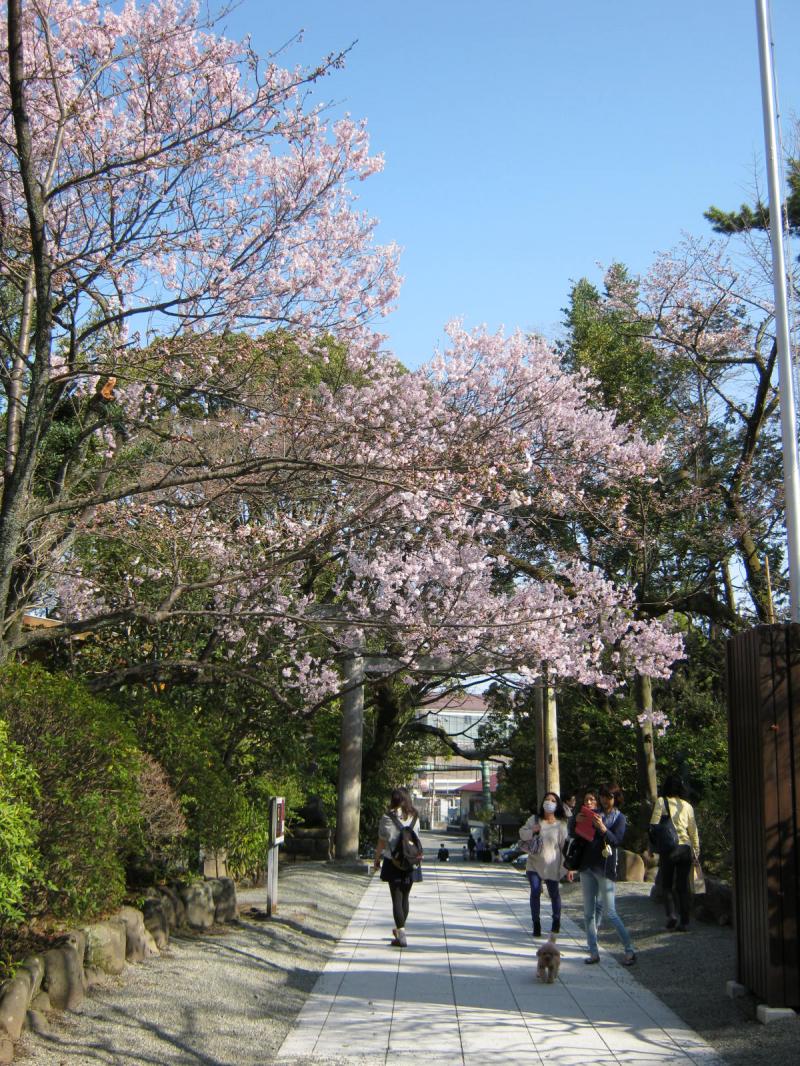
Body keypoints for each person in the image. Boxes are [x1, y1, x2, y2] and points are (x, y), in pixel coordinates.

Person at [572, 785, 636, 967]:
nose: (604, 801)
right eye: (602, 797)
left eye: (608, 797)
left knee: (611, 912)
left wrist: (603, 829)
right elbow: (578, 835)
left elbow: (617, 840)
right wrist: (576, 821)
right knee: (588, 913)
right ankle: (593, 951)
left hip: (605, 868)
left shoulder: (620, 818)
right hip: (587, 866)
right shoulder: (593, 813)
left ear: (616, 798)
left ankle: (629, 950)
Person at [650, 775, 700, 932]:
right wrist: (696, 850)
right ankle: (684, 922)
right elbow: (693, 830)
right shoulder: (687, 806)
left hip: (669, 848)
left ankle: (671, 914)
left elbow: (653, 825)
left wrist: (652, 846)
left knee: (666, 884)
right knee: (682, 886)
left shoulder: (661, 802)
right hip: (685, 848)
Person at [519, 792, 572, 937]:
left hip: (553, 864)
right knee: (535, 891)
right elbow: (521, 833)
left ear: (557, 805)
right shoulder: (534, 820)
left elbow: (564, 847)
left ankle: (556, 921)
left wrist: (568, 867)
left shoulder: (561, 825)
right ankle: (536, 923)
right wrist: (532, 830)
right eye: (547, 800)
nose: (549, 802)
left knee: (554, 893)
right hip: (534, 863)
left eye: (553, 800)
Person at [373, 787, 420, 947]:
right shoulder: (415, 817)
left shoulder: (387, 817)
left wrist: (376, 859)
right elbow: (416, 837)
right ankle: (401, 930)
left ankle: (401, 933)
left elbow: (381, 841)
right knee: (405, 897)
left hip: (393, 860)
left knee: (397, 898)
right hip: (412, 861)